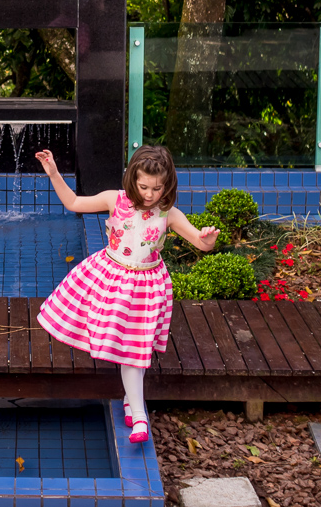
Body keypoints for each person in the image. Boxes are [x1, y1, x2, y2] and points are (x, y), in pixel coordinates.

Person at [34, 145, 218, 444]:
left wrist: (207, 239)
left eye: (157, 188)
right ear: (132, 179)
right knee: (130, 346)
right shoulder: (114, 199)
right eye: (143, 187)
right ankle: (137, 410)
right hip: (113, 279)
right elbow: (74, 202)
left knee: (135, 346)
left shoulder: (169, 214)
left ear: (167, 185)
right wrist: (54, 172)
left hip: (147, 286)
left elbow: (199, 242)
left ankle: (136, 408)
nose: (149, 194)